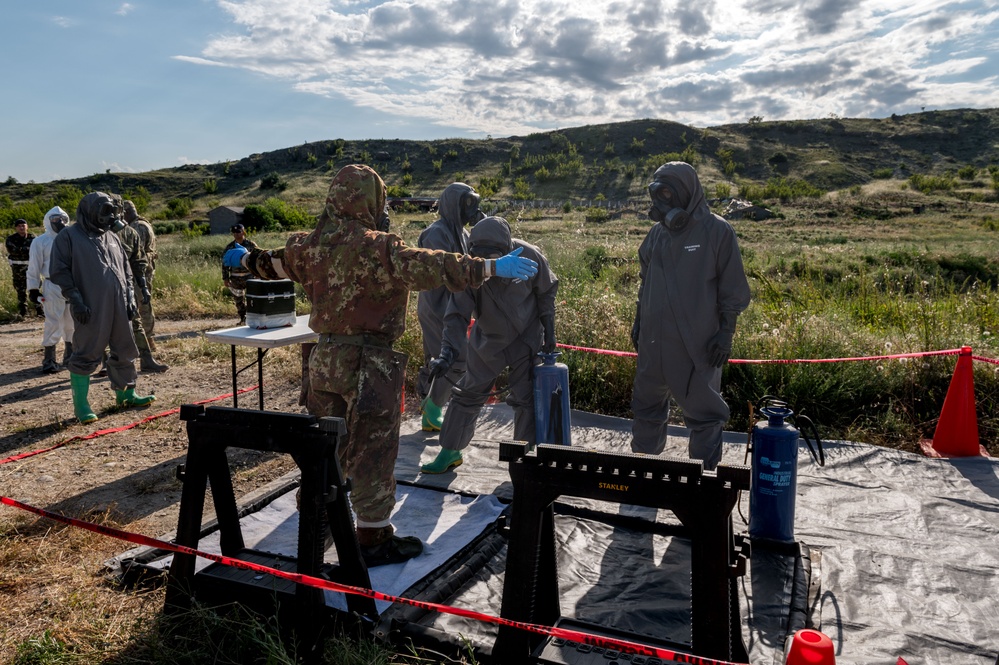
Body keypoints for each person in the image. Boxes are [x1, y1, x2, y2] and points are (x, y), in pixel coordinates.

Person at [223, 164, 537, 567]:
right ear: (371, 200)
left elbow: (272, 265)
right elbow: (436, 266)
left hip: (324, 361)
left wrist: (247, 260)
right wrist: (491, 267)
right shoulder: (380, 247)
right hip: (371, 365)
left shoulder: (308, 245)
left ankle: (314, 528)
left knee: (325, 448)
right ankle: (372, 538)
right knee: (373, 451)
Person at [629, 162, 751, 470]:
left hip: (698, 346)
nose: (661, 203)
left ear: (686, 193)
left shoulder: (717, 232)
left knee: (705, 415)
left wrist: (726, 332)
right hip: (653, 345)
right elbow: (646, 283)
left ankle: (705, 485)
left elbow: (732, 289)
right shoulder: (656, 235)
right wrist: (639, 322)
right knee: (646, 410)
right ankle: (642, 476)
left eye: (667, 193)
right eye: (656, 194)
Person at [421, 216, 559, 474]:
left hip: (526, 340)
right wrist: (447, 353)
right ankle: (450, 451)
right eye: (480, 254)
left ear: (508, 248)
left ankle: (524, 457)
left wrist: (549, 331)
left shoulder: (531, 255)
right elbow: (456, 314)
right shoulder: (471, 267)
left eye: (493, 255)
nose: (487, 259)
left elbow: (546, 291)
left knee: (526, 400)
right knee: (467, 395)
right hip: (488, 341)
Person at [49, 192, 155, 424]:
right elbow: (59, 271)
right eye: (104, 211)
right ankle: (82, 405)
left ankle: (126, 394)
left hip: (119, 304)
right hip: (90, 305)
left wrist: (129, 298)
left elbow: (126, 270)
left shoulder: (112, 236)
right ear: (88, 211)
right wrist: (75, 300)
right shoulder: (68, 236)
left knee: (125, 347)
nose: (109, 217)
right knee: (87, 350)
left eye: (111, 211)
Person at [415, 182, 482, 431]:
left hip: (452, 310)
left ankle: (429, 415)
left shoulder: (462, 234)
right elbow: (437, 274)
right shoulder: (437, 233)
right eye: (468, 203)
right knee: (457, 360)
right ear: (454, 204)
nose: (472, 209)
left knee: (437, 362)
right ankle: (432, 408)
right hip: (436, 307)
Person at [113, 217, 168, 372]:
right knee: (106, 324)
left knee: (135, 320)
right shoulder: (96, 233)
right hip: (107, 286)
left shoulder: (130, 232)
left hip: (128, 283)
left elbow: (138, 260)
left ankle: (146, 358)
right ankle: (106, 362)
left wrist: (142, 286)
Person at [26, 207, 74, 373]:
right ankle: (49, 361)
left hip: (72, 286)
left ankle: (70, 358)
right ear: (48, 221)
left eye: (62, 219)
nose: (60, 223)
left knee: (72, 323)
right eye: (55, 219)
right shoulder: (40, 242)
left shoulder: (73, 239)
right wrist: (33, 288)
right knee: (53, 322)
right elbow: (33, 267)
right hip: (51, 286)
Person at [123, 200, 159, 345]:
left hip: (141, 272)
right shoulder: (143, 223)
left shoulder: (137, 227)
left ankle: (148, 341)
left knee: (143, 305)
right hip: (143, 271)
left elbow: (137, 253)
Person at [222, 223, 258, 325]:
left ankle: (253, 318)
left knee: (252, 298)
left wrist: (259, 274)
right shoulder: (230, 247)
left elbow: (258, 260)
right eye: (234, 232)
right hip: (235, 278)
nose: (237, 234)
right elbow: (225, 263)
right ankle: (243, 318)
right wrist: (225, 278)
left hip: (250, 276)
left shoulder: (251, 245)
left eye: (238, 232)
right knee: (238, 299)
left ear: (243, 231)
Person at [6, 218, 41, 318]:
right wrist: (27, 249)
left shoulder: (33, 238)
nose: (22, 227)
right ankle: (23, 313)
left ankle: (39, 311)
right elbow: (13, 250)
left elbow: (37, 251)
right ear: (16, 228)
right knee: (20, 291)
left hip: (32, 268)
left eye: (23, 225)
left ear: (27, 226)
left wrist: (22, 249)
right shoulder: (11, 239)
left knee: (35, 288)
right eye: (19, 226)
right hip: (18, 270)